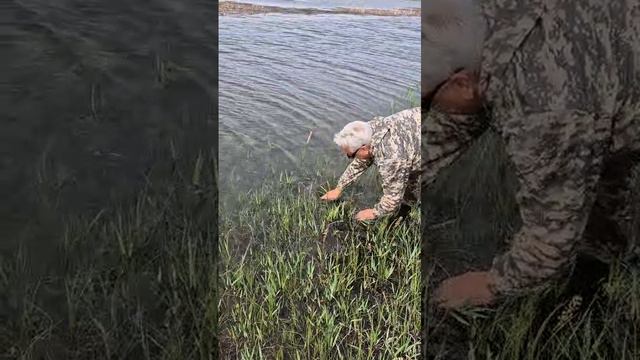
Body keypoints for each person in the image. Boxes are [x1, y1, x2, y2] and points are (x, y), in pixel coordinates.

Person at [423, 0, 640, 309]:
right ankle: (604, 263)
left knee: (583, 194)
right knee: (604, 178)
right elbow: (449, 127)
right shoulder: (475, 25)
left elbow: (551, 234)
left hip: (591, 92)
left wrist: (491, 284)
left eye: (426, 105)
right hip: (602, 88)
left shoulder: (543, 109)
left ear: (462, 83)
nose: (428, 116)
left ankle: (602, 286)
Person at [321, 107, 421, 221]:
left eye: (350, 155)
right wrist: (339, 188)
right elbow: (361, 162)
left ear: (363, 148)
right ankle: (410, 205)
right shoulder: (369, 129)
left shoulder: (390, 156)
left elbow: (393, 197)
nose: (350, 158)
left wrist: (375, 212)